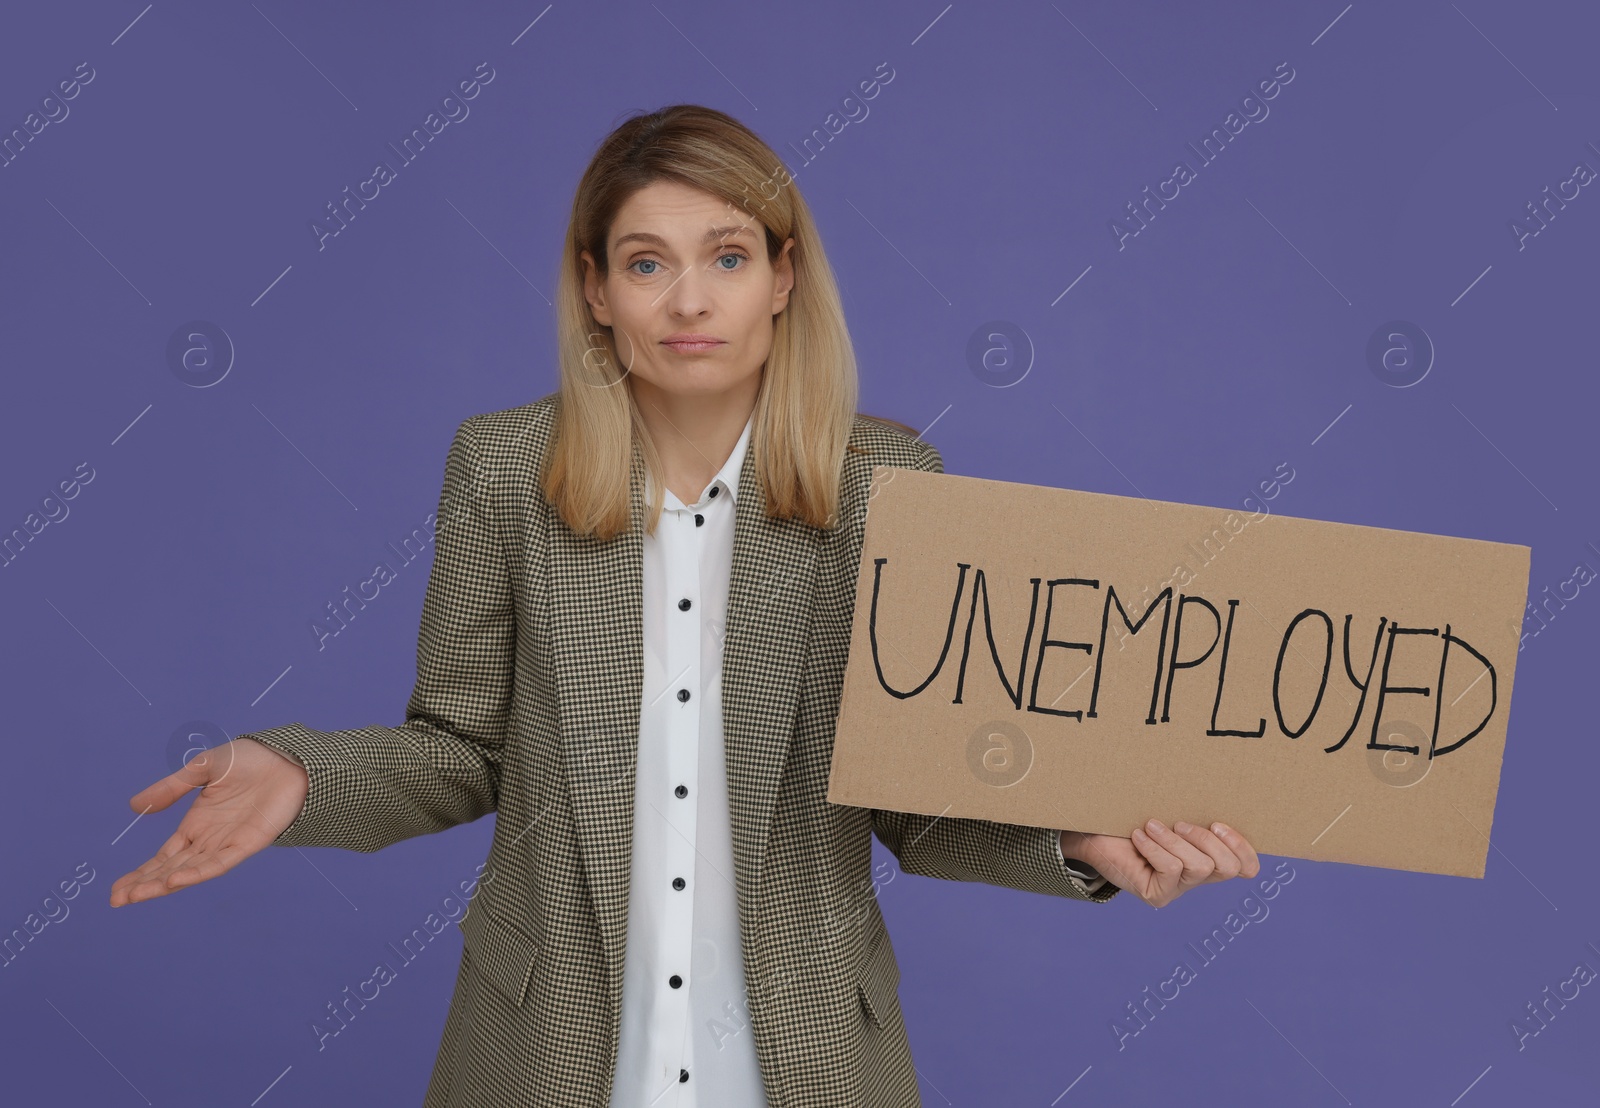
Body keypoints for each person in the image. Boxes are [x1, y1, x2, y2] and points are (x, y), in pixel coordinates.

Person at [110, 104, 1260, 1107]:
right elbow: (462, 749)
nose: (689, 298)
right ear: (595, 287)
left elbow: (911, 801)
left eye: (726, 255)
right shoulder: (504, 468)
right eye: (647, 263)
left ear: (783, 276)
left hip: (804, 1053)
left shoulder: (887, 486)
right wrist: (304, 774)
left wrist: (1078, 839)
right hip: (545, 1050)